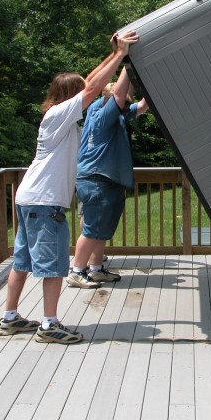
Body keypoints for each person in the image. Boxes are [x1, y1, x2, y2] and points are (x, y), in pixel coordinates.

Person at [0, 30, 138, 343]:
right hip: (44, 203)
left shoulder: (58, 118)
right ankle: (49, 325)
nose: (86, 97)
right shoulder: (59, 115)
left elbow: (89, 81)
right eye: (79, 94)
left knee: (22, 262)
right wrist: (121, 57)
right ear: (67, 97)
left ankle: (9, 317)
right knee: (53, 267)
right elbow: (92, 88)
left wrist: (117, 54)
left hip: (31, 199)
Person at [67, 67, 148, 288]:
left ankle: (95, 269)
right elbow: (120, 96)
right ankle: (76, 271)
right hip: (97, 179)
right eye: (121, 104)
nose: (125, 107)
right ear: (112, 102)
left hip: (101, 179)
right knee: (93, 228)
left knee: (100, 227)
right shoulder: (104, 115)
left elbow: (141, 106)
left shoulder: (108, 113)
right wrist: (127, 62)